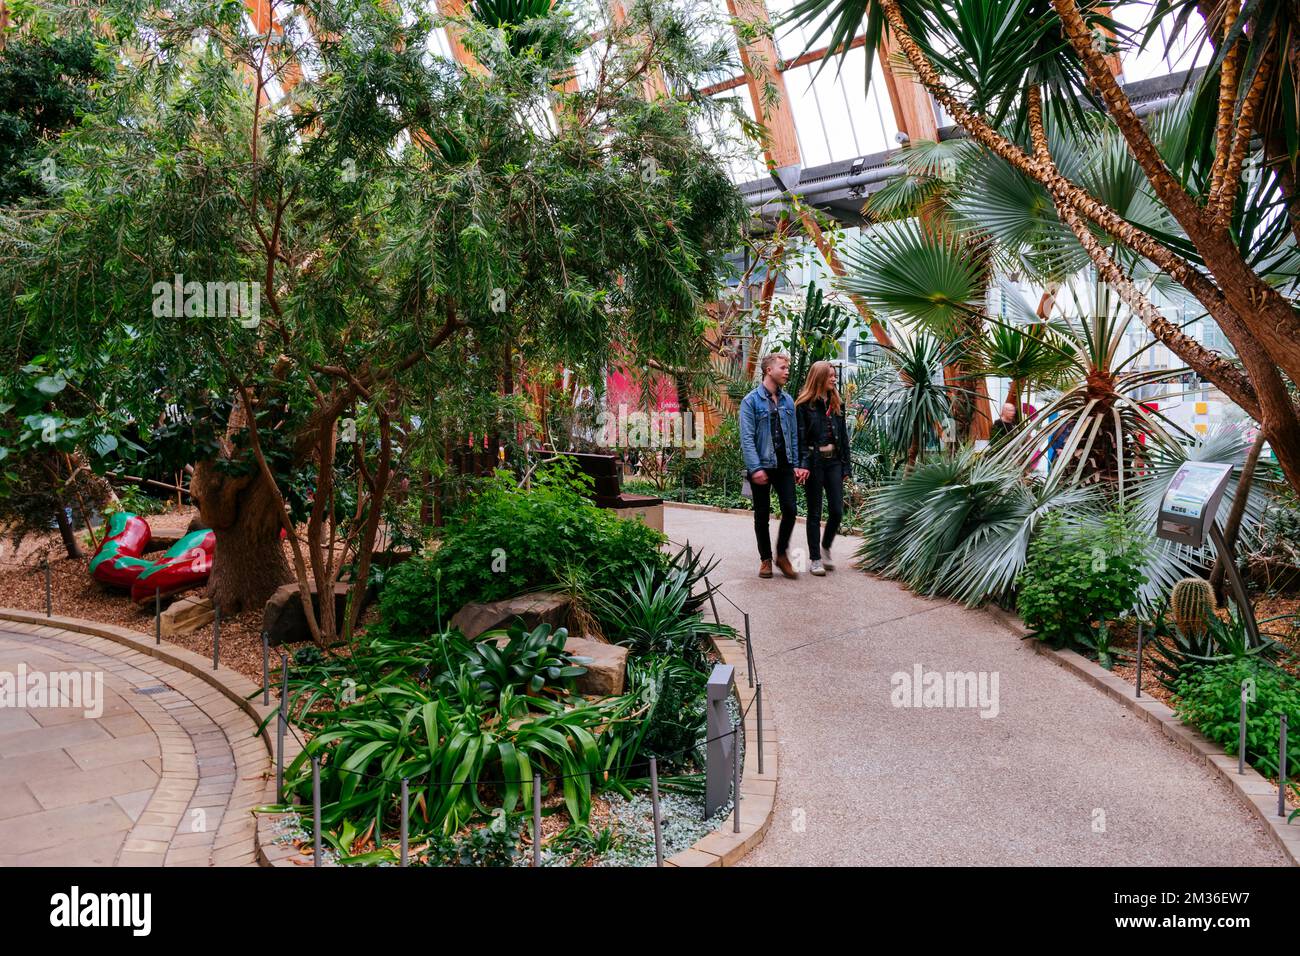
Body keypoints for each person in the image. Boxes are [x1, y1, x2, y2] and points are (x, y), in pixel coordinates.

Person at [739, 353, 809, 578]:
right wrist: (755, 468)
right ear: (769, 370)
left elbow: (795, 436)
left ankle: (781, 554)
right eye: (783, 367)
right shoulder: (750, 401)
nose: (787, 371)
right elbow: (747, 438)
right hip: (761, 465)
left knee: (790, 509)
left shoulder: (788, 401)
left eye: (788, 367)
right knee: (761, 515)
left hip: (785, 464)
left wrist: (797, 464)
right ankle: (765, 559)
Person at [796, 361, 850, 576]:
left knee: (837, 511)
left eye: (835, 375)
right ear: (818, 377)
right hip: (815, 462)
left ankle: (825, 546)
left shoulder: (837, 403)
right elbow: (800, 440)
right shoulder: (804, 405)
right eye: (830, 375)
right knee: (814, 512)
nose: (834, 379)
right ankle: (815, 559)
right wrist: (803, 465)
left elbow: (843, 438)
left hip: (835, 461)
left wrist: (846, 467)